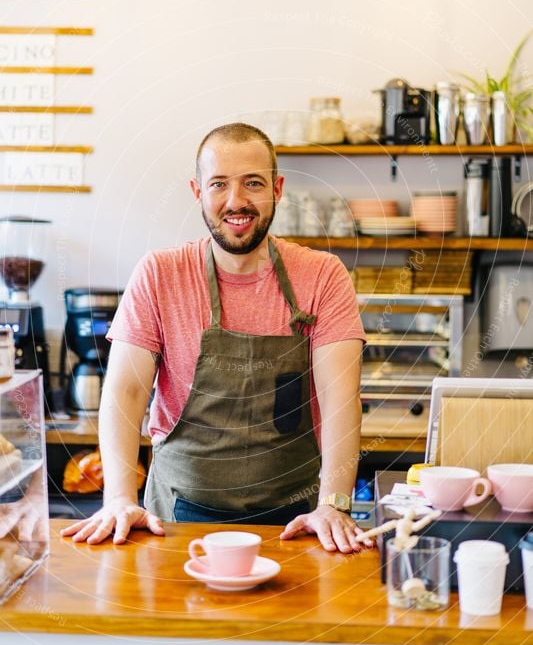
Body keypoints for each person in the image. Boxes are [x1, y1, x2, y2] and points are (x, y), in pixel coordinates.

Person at [61, 123, 369, 553]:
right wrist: (118, 499)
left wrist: (334, 504)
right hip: (176, 520)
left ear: (277, 189)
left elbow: (341, 397)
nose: (236, 201)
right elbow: (126, 391)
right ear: (197, 191)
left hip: (298, 520)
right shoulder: (160, 274)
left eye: (253, 184)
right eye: (219, 184)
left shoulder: (321, 275)